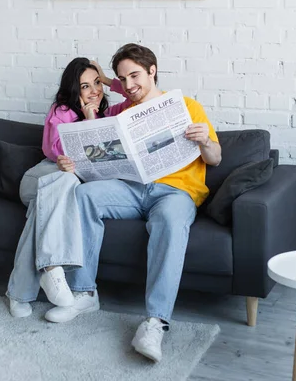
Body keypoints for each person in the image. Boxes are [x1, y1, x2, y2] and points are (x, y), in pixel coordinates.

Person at [45, 44, 222, 363]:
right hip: (132, 189)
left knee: (169, 221)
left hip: (175, 192)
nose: (128, 85)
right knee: (84, 195)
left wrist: (205, 140)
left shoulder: (187, 106)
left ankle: (156, 321)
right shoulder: (123, 112)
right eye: (122, 79)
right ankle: (84, 292)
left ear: (153, 70)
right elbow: (98, 156)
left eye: (134, 76)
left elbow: (216, 158)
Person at [6, 57, 132, 317]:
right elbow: (55, 150)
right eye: (85, 86)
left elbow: (135, 99)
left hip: (62, 189)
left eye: (97, 83)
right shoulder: (61, 110)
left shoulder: (108, 113)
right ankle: (52, 268)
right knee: (64, 180)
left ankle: (20, 291)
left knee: (44, 210)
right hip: (41, 176)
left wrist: (108, 82)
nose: (94, 90)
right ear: (74, 89)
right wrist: (85, 119)